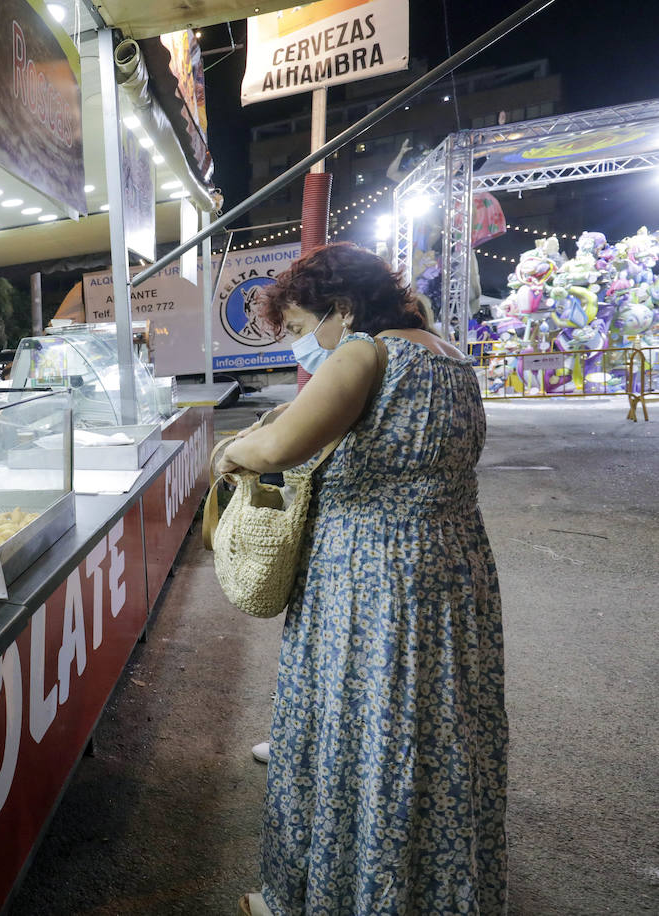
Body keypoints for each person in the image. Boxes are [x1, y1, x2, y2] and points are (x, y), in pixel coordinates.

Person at [217, 244, 507, 916]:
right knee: (437, 735)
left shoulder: (365, 352)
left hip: (370, 582)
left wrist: (230, 450)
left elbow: (278, 447)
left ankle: (332, 900)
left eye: (297, 327)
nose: (298, 345)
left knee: (359, 734)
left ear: (341, 308)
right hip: (452, 577)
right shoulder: (449, 354)